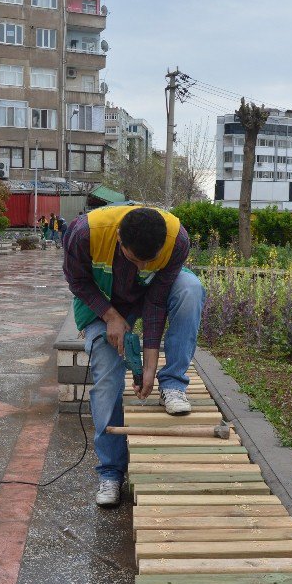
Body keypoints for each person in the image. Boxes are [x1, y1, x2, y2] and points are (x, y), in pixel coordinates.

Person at [62, 205, 205, 508]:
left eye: (148, 262)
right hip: (102, 298)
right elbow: (78, 282)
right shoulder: (83, 234)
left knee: (190, 289)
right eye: (133, 259)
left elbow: (156, 302)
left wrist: (150, 368)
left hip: (146, 296)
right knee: (107, 375)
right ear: (117, 238)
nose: (141, 268)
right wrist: (110, 315)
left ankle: (173, 385)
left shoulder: (176, 239)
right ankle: (111, 471)